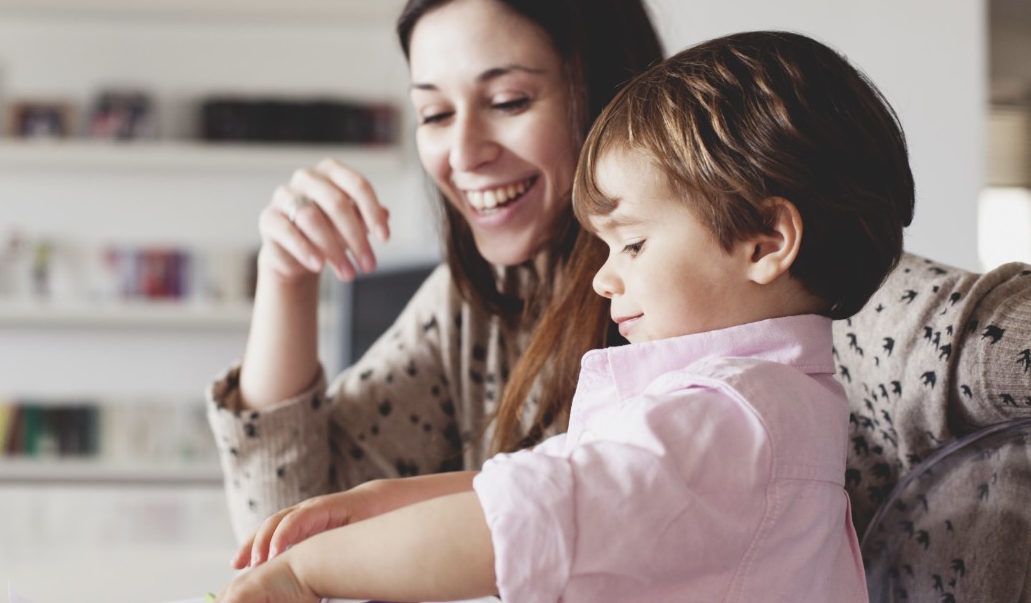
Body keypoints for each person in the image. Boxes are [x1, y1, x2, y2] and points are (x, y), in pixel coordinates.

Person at [216, 30, 916, 602]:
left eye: (633, 243)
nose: (606, 278)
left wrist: (305, 574)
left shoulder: (728, 420)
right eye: (433, 112)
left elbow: (530, 516)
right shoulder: (764, 406)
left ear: (765, 243)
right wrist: (380, 503)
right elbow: (571, 474)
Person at [207, 0, 663, 539]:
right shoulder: (475, 302)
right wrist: (285, 278)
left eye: (508, 100)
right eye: (436, 114)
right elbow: (287, 525)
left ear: (609, 87)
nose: (463, 153)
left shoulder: (691, 292)